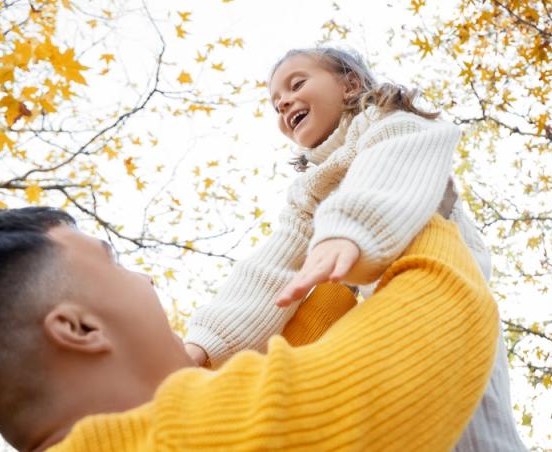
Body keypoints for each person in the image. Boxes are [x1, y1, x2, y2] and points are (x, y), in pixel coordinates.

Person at [0, 207, 498, 451]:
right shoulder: (188, 441)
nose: (146, 279)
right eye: (112, 263)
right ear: (78, 327)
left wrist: (331, 273)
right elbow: (441, 314)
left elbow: (291, 366)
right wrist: (397, 206)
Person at [184, 47, 526, 450]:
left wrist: (346, 231)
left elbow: (392, 168)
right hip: (385, 315)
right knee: (407, 423)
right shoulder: (311, 191)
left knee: (474, 424)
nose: (285, 103)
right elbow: (270, 270)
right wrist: (204, 344)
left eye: (296, 84)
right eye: (276, 103)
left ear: (350, 84)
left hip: (449, 300)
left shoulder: (390, 124)